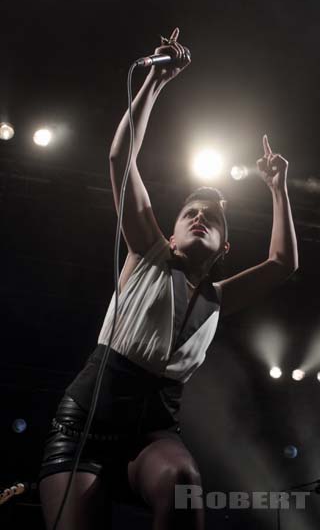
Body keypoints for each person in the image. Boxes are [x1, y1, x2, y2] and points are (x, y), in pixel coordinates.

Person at [38, 27, 298, 530]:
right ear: (173, 234)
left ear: (224, 248)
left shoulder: (218, 297)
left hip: (153, 435)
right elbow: (120, 160)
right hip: (85, 424)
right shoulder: (149, 252)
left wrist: (278, 189)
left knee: (182, 485)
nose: (199, 217)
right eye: (189, 213)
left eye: (213, 218)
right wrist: (155, 81)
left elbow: (283, 263)